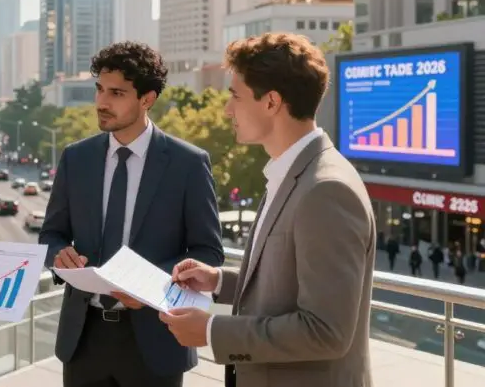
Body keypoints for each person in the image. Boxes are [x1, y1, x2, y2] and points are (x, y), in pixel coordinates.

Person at [161, 33, 375, 387]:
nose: (227, 109)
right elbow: (285, 286)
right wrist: (218, 282)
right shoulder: (290, 173)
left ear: (271, 101)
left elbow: (326, 331)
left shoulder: (325, 190)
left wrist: (212, 331)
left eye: (234, 95)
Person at [39, 42, 223, 387]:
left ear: (147, 99)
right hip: (83, 339)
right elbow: (51, 235)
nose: (102, 102)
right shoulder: (75, 158)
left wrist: (150, 287)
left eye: (117, 93)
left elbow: (207, 251)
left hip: (156, 339)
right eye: (99, 90)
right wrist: (59, 256)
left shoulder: (188, 164)